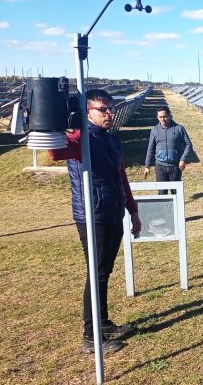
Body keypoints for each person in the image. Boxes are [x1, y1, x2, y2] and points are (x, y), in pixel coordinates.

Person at [49, 89, 142, 353]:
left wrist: (132, 210)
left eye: (110, 108)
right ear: (88, 112)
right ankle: (91, 336)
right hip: (92, 215)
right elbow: (56, 154)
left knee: (104, 272)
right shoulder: (81, 138)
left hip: (113, 212)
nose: (109, 113)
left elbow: (121, 176)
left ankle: (104, 323)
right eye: (103, 109)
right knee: (97, 273)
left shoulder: (112, 140)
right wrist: (55, 123)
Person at [143, 106, 196, 194]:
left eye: (165, 116)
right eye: (160, 117)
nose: (163, 119)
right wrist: (147, 166)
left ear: (169, 115)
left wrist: (183, 159)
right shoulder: (155, 130)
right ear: (157, 117)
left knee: (176, 193)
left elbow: (188, 144)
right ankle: (163, 208)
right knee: (162, 193)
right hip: (160, 166)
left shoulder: (179, 128)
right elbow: (150, 148)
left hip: (175, 166)